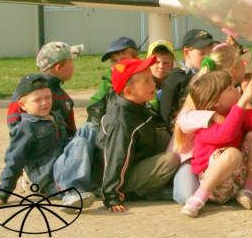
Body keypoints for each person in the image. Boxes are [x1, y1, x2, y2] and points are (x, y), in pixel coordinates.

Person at [0, 74, 96, 209]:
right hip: (50, 181)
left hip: (63, 167)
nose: (45, 102)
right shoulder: (26, 128)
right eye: (37, 100)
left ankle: (95, 181)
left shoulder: (56, 117)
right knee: (79, 142)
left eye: (47, 97)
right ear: (23, 105)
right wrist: (2, 194)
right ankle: (71, 192)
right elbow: (14, 160)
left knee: (89, 128)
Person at [178, 71, 252, 217]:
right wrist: (243, 101)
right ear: (216, 101)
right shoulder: (205, 122)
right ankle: (199, 196)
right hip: (214, 185)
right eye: (230, 89)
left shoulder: (233, 112)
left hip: (236, 180)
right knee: (232, 153)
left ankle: (248, 190)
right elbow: (226, 134)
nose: (236, 89)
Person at [96, 56, 179, 212]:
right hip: (120, 176)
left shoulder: (139, 105)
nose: (154, 83)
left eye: (151, 79)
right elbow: (116, 158)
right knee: (171, 160)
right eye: (147, 81)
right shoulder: (121, 121)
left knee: (167, 137)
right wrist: (112, 196)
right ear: (128, 91)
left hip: (137, 156)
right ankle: (137, 192)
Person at [6, 41, 82, 137]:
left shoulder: (65, 98)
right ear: (58, 67)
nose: (74, 67)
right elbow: (15, 123)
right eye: (71, 63)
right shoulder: (30, 89)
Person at [159, 28, 215, 127]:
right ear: (186, 53)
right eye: (202, 53)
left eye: (210, 53)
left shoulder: (214, 77)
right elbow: (166, 114)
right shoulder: (176, 78)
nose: (207, 58)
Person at [86, 36, 139, 126]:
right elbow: (95, 102)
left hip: (134, 123)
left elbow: (151, 103)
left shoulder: (142, 77)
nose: (118, 64)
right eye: (114, 60)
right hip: (111, 125)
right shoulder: (109, 79)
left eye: (123, 60)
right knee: (87, 128)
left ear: (136, 60)